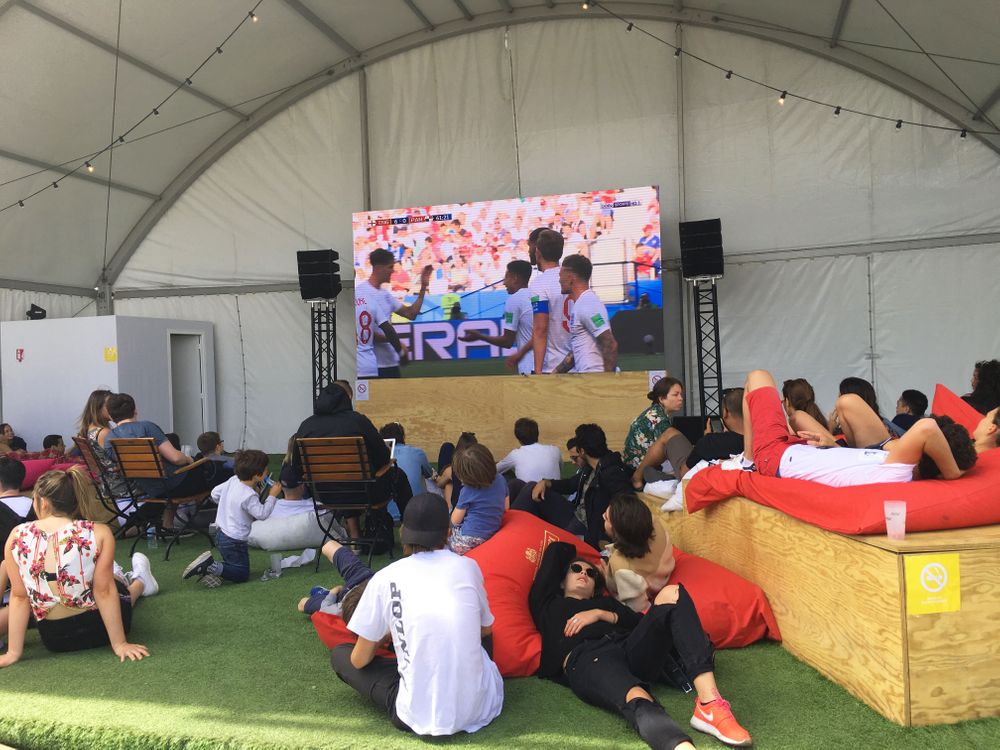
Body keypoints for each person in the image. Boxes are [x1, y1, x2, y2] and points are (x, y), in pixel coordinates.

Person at [528, 541, 752, 749]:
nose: (584, 574)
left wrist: (601, 614)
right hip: (589, 657)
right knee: (636, 696)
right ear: (560, 580)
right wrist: (592, 551)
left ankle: (709, 704)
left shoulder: (605, 603)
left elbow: (639, 623)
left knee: (672, 593)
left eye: (591, 573)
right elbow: (558, 550)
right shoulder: (548, 605)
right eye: (576, 570)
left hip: (629, 648)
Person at [331, 493, 504, 736]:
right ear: (447, 532)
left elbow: (360, 660)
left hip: (416, 714)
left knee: (341, 654)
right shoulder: (467, 566)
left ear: (402, 532)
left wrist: (391, 631)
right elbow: (485, 631)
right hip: (480, 705)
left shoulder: (385, 578)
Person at [1, 470, 158, 666]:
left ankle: (136, 579)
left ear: (42, 502)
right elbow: (104, 591)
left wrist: (13, 652)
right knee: (116, 587)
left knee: (104, 580)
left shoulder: (17, 535)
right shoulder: (99, 531)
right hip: (99, 630)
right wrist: (120, 644)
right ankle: (140, 581)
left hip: (56, 639)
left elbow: (19, 597)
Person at [743, 369, 977, 487]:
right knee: (760, 384)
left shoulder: (900, 469)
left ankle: (748, 461)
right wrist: (831, 446)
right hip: (796, 453)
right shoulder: (896, 467)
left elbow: (927, 427)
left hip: (774, 456)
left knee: (757, 376)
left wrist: (953, 473)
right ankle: (749, 459)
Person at [290, 382, 391, 540]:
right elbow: (383, 456)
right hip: (364, 494)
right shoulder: (358, 421)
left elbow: (296, 467)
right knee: (394, 476)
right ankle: (410, 529)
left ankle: (355, 535)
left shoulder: (306, 425)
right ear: (347, 399)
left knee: (345, 481)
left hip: (325, 495)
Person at [106, 393, 214, 529]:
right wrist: (189, 459)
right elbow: (176, 458)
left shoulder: (110, 439)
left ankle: (167, 526)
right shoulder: (147, 427)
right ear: (135, 411)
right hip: (175, 484)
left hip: (150, 487)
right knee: (218, 472)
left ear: (110, 417)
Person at [182, 450, 281, 587]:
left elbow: (215, 493)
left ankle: (215, 571)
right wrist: (272, 496)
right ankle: (210, 566)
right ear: (257, 475)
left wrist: (227, 505)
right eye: (265, 469)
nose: (267, 471)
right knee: (241, 574)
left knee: (234, 565)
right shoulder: (249, 495)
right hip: (234, 540)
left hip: (221, 532)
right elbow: (262, 514)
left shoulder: (233, 480)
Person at [526, 423, 631, 550]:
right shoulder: (590, 468)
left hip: (587, 530)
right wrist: (547, 482)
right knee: (529, 487)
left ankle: (519, 535)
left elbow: (625, 505)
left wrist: (602, 538)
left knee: (550, 544)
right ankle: (517, 532)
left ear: (582, 451)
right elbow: (571, 484)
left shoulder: (612, 473)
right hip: (575, 513)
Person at [630, 388, 746, 487]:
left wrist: (707, 439)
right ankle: (669, 476)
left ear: (725, 412)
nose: (681, 398)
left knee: (669, 433)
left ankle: (637, 478)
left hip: (693, 478)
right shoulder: (757, 442)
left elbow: (685, 472)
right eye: (676, 395)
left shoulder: (710, 442)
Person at [356, 248, 432, 378]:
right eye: (390, 267)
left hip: (391, 363)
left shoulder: (385, 294)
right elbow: (364, 333)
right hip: (373, 367)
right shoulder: (361, 293)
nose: (393, 270)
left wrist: (423, 286)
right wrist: (398, 344)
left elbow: (411, 314)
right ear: (379, 268)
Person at [459, 260, 534, 374]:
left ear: (515, 278)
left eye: (506, 278)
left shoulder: (514, 300)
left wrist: (480, 336)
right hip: (544, 363)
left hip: (528, 366)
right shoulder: (536, 295)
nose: (504, 283)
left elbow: (507, 341)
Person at [553, 254, 618, 373]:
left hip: (595, 380)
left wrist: (609, 382)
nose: (559, 280)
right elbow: (576, 352)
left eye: (561, 276)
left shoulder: (587, 304)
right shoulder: (582, 304)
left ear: (571, 278)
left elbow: (610, 343)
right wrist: (555, 373)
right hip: (588, 379)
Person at [604, 492, 676, 598]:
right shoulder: (654, 522)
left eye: (606, 518)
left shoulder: (621, 565)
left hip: (649, 591)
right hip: (667, 569)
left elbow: (636, 606)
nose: (602, 516)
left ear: (618, 532)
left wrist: (607, 577)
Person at [449, 443, 508, 555]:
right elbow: (506, 507)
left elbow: (455, 521)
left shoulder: (467, 491)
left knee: (443, 545)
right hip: (492, 532)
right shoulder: (501, 479)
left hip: (467, 540)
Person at [527, 228, 572, 374]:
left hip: (553, 365)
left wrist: (538, 372)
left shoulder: (539, 284)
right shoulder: (573, 277)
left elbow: (541, 329)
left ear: (538, 252)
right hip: (577, 360)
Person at [354, 260, 406, 380]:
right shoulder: (368, 299)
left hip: (351, 365)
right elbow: (389, 330)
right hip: (368, 366)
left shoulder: (341, 303)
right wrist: (400, 351)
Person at [297, 538, 374, 617]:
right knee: (329, 546)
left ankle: (327, 594)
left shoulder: (345, 610)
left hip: (348, 597)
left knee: (303, 604)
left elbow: (304, 605)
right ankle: (328, 594)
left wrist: (333, 593)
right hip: (365, 577)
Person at [623, 377, 684, 473]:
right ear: (661, 399)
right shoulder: (659, 419)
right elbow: (672, 450)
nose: (681, 398)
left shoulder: (655, 412)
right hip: (639, 473)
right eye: (675, 395)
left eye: (681, 394)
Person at [378, 422, 431, 519]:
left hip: (388, 513)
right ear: (402, 436)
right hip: (418, 512)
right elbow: (429, 474)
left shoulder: (379, 456)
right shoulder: (417, 452)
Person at [835, 377, 905, 441]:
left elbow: (852, 449)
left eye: (840, 397)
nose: (837, 403)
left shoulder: (866, 430)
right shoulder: (885, 423)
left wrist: (831, 428)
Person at [495, 417, 562, 484]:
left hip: (529, 493)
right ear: (537, 433)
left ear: (518, 438)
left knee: (505, 473)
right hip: (555, 492)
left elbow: (494, 470)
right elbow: (560, 467)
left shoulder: (515, 455)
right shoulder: (555, 450)